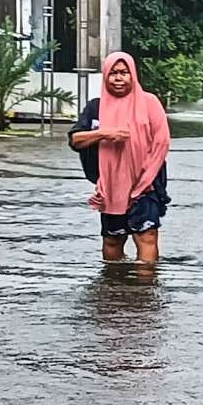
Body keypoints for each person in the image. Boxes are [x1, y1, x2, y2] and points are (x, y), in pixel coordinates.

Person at [69, 52, 171, 263]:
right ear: (105, 76)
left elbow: (161, 143)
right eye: (113, 73)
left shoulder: (149, 102)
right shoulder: (96, 108)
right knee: (113, 240)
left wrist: (144, 179)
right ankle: (113, 287)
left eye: (124, 73)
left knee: (147, 235)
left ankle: (145, 290)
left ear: (132, 75)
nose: (118, 78)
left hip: (146, 184)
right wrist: (104, 133)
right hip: (112, 187)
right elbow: (75, 140)